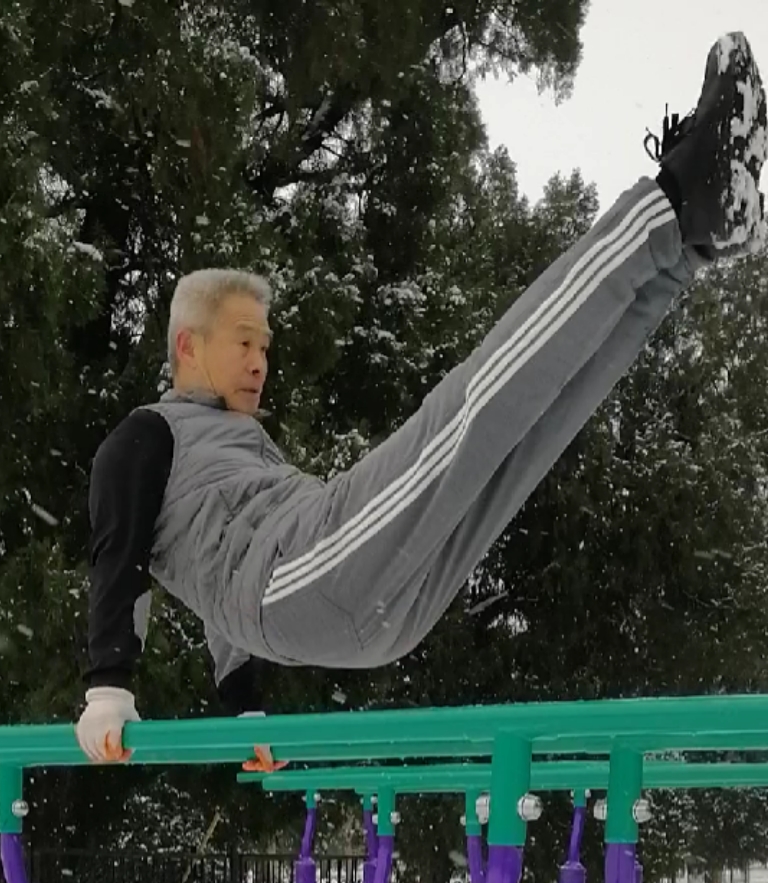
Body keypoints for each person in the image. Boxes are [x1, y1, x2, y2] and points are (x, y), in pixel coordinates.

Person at [76, 32, 767, 766]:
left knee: (524, 436)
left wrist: (246, 711)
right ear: (188, 347)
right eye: (243, 342)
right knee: (473, 411)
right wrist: (107, 685)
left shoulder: (234, 453)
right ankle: (675, 199)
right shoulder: (145, 435)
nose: (260, 362)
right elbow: (118, 556)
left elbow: (220, 578)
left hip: (355, 608)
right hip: (301, 574)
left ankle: (686, 250)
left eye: (267, 346)